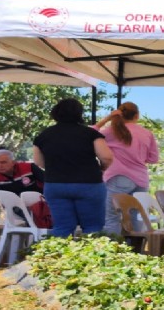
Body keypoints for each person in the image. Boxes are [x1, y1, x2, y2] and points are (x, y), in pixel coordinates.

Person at [33, 98, 114, 237]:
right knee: (92, 228)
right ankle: (91, 257)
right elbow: (106, 157)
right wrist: (102, 168)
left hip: (55, 184)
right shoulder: (91, 134)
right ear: (79, 114)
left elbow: (39, 162)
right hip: (88, 184)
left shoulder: (43, 136)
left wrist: (57, 167)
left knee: (61, 227)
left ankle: (60, 256)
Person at [92, 102, 159, 235]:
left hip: (118, 178)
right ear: (137, 116)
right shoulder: (147, 133)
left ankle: (113, 252)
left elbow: (90, 133)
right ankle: (134, 252)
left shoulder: (111, 131)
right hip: (141, 180)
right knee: (135, 218)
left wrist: (107, 119)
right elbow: (153, 159)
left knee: (111, 218)